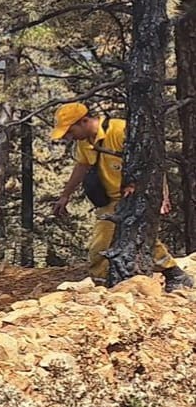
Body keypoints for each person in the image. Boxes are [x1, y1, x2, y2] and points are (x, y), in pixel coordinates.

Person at [50, 102, 193, 291]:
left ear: (84, 121)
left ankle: (173, 274)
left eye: (70, 131)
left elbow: (153, 162)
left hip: (136, 196)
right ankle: (106, 287)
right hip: (110, 202)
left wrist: (162, 195)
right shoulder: (83, 143)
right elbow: (81, 167)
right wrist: (64, 196)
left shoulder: (119, 130)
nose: (68, 137)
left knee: (141, 237)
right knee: (99, 248)